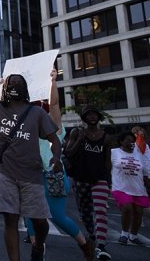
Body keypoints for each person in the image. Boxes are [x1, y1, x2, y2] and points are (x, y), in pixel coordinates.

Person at [0, 72, 62, 261]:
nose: (15, 85)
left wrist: (56, 157)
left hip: (31, 174)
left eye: (18, 83)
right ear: (4, 88)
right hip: (4, 172)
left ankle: (38, 246)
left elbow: (54, 139)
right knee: (10, 220)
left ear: (25, 89)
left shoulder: (37, 112)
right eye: (11, 83)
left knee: (40, 222)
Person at [24, 69, 95, 260]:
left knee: (56, 215)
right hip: (30, 176)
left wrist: (53, 82)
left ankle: (85, 245)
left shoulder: (54, 127)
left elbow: (54, 103)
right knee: (29, 215)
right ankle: (37, 250)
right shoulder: (25, 129)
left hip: (52, 175)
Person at [64, 105, 113, 261]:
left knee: (100, 211)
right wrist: (80, 138)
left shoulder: (105, 137)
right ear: (84, 118)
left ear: (99, 117)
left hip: (99, 178)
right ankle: (93, 234)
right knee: (85, 212)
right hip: (81, 177)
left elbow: (107, 160)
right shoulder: (77, 132)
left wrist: (108, 180)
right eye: (89, 115)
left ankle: (101, 246)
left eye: (94, 114)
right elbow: (69, 152)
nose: (92, 117)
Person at [110, 131, 150, 245]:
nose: (130, 142)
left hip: (138, 187)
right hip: (120, 186)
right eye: (127, 140)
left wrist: (148, 182)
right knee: (127, 208)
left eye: (132, 140)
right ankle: (124, 234)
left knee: (138, 211)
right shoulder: (114, 152)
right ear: (121, 141)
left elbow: (146, 168)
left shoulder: (139, 154)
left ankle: (133, 236)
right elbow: (107, 165)